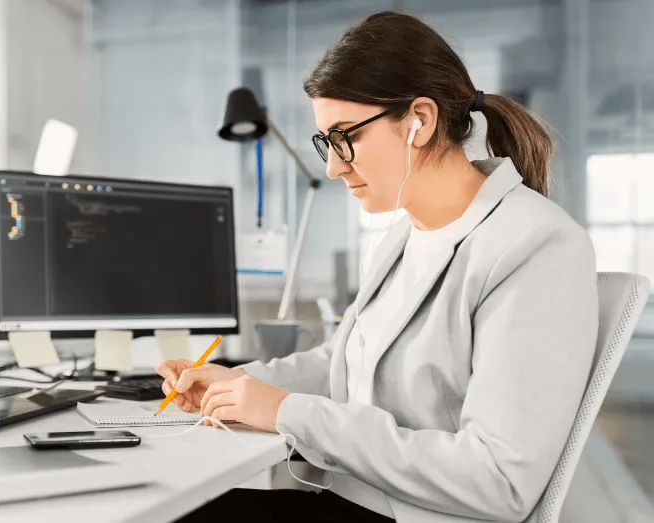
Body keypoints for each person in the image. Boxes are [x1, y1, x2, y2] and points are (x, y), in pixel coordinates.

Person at [157, 10, 597, 523]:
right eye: (326, 141)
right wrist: (235, 386)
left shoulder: (535, 244)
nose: (332, 165)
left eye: (345, 135)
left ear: (420, 121)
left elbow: (499, 479)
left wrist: (286, 411)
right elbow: (344, 363)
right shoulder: (403, 233)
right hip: (352, 500)